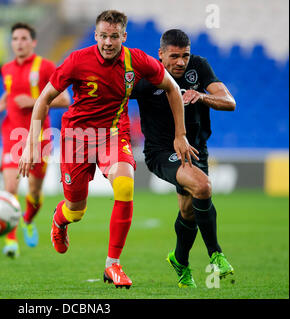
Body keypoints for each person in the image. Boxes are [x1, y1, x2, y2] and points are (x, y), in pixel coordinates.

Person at [18, 10, 197, 288]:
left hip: (113, 134)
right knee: (76, 209)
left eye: (114, 36)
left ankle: (112, 265)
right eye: (103, 36)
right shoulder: (78, 60)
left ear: (123, 36)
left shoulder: (135, 60)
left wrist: (180, 134)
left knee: (125, 185)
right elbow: (43, 100)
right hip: (76, 138)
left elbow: (173, 89)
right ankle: (60, 219)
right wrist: (31, 143)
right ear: (96, 35)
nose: (108, 42)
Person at [130, 29, 236, 288]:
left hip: (196, 148)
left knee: (189, 212)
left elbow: (229, 101)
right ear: (161, 55)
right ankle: (216, 254)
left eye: (185, 56)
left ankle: (179, 260)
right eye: (174, 56)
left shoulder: (198, 67)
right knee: (202, 186)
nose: (180, 62)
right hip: (161, 152)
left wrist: (202, 96)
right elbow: (115, 95)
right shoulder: (146, 75)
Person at [0, 22, 70, 258]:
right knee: (10, 187)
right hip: (11, 134)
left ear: (33, 42)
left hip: (38, 137)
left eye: (24, 38)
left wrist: (35, 102)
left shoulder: (44, 67)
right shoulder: (6, 69)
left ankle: (28, 219)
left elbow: (65, 99)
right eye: (15, 39)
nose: (19, 43)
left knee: (34, 192)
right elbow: (10, 91)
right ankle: (10, 240)